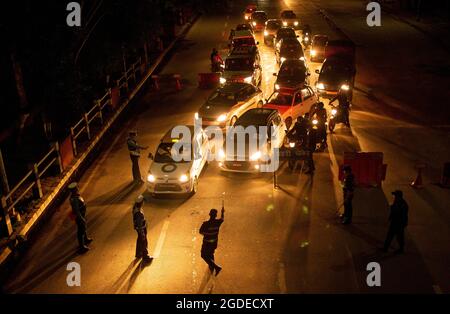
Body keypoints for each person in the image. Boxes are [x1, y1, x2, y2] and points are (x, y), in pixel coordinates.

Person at [199, 207, 225, 275]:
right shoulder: (218, 222)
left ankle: (216, 267)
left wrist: (207, 233)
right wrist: (222, 212)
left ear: (209, 214)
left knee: (203, 255)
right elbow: (222, 219)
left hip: (207, 243)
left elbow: (200, 232)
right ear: (216, 215)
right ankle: (212, 267)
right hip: (214, 242)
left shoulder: (206, 224)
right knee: (210, 254)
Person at [69, 182, 93, 253]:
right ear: (74, 190)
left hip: (82, 215)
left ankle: (85, 239)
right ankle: (81, 246)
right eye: (76, 188)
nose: (77, 188)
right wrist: (81, 219)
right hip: (79, 216)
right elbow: (76, 210)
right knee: (81, 230)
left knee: (83, 227)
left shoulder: (76, 196)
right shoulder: (74, 199)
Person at [132, 195, 153, 263]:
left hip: (139, 229)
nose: (144, 203)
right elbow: (139, 224)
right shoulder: (138, 213)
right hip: (141, 229)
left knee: (139, 240)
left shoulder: (136, 208)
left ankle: (138, 254)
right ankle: (145, 257)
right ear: (141, 202)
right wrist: (142, 233)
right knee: (144, 242)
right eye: (143, 201)